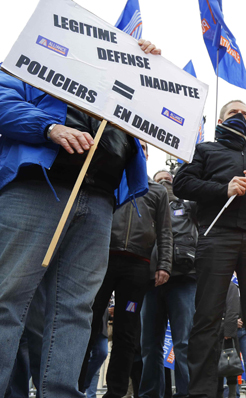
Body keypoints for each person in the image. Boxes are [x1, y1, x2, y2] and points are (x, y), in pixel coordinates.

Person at [0, 39, 159, 397]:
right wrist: (47, 127)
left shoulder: (119, 87)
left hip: (100, 201)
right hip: (38, 188)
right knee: (8, 297)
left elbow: (159, 111)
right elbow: (3, 102)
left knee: (75, 310)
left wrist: (148, 68)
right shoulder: (30, 63)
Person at [173, 100, 246, 398]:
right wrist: (223, 188)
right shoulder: (205, 150)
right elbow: (181, 184)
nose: (241, 116)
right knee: (207, 317)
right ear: (221, 119)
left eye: (245, 113)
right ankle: (202, 393)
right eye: (234, 113)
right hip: (216, 236)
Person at [82, 140, 173, 398]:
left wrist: (164, 265)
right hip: (103, 260)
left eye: (143, 146)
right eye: (135, 145)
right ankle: (75, 386)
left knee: (126, 332)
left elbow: (166, 232)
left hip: (137, 267)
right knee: (85, 322)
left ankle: (116, 392)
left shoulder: (157, 192)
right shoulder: (110, 181)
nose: (139, 150)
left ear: (147, 153)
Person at [139, 169, 198, 398]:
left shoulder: (189, 206)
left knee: (184, 342)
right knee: (149, 346)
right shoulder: (143, 204)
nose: (165, 180)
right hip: (149, 281)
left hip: (183, 278)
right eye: (159, 177)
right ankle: (150, 394)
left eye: (169, 177)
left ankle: (188, 393)